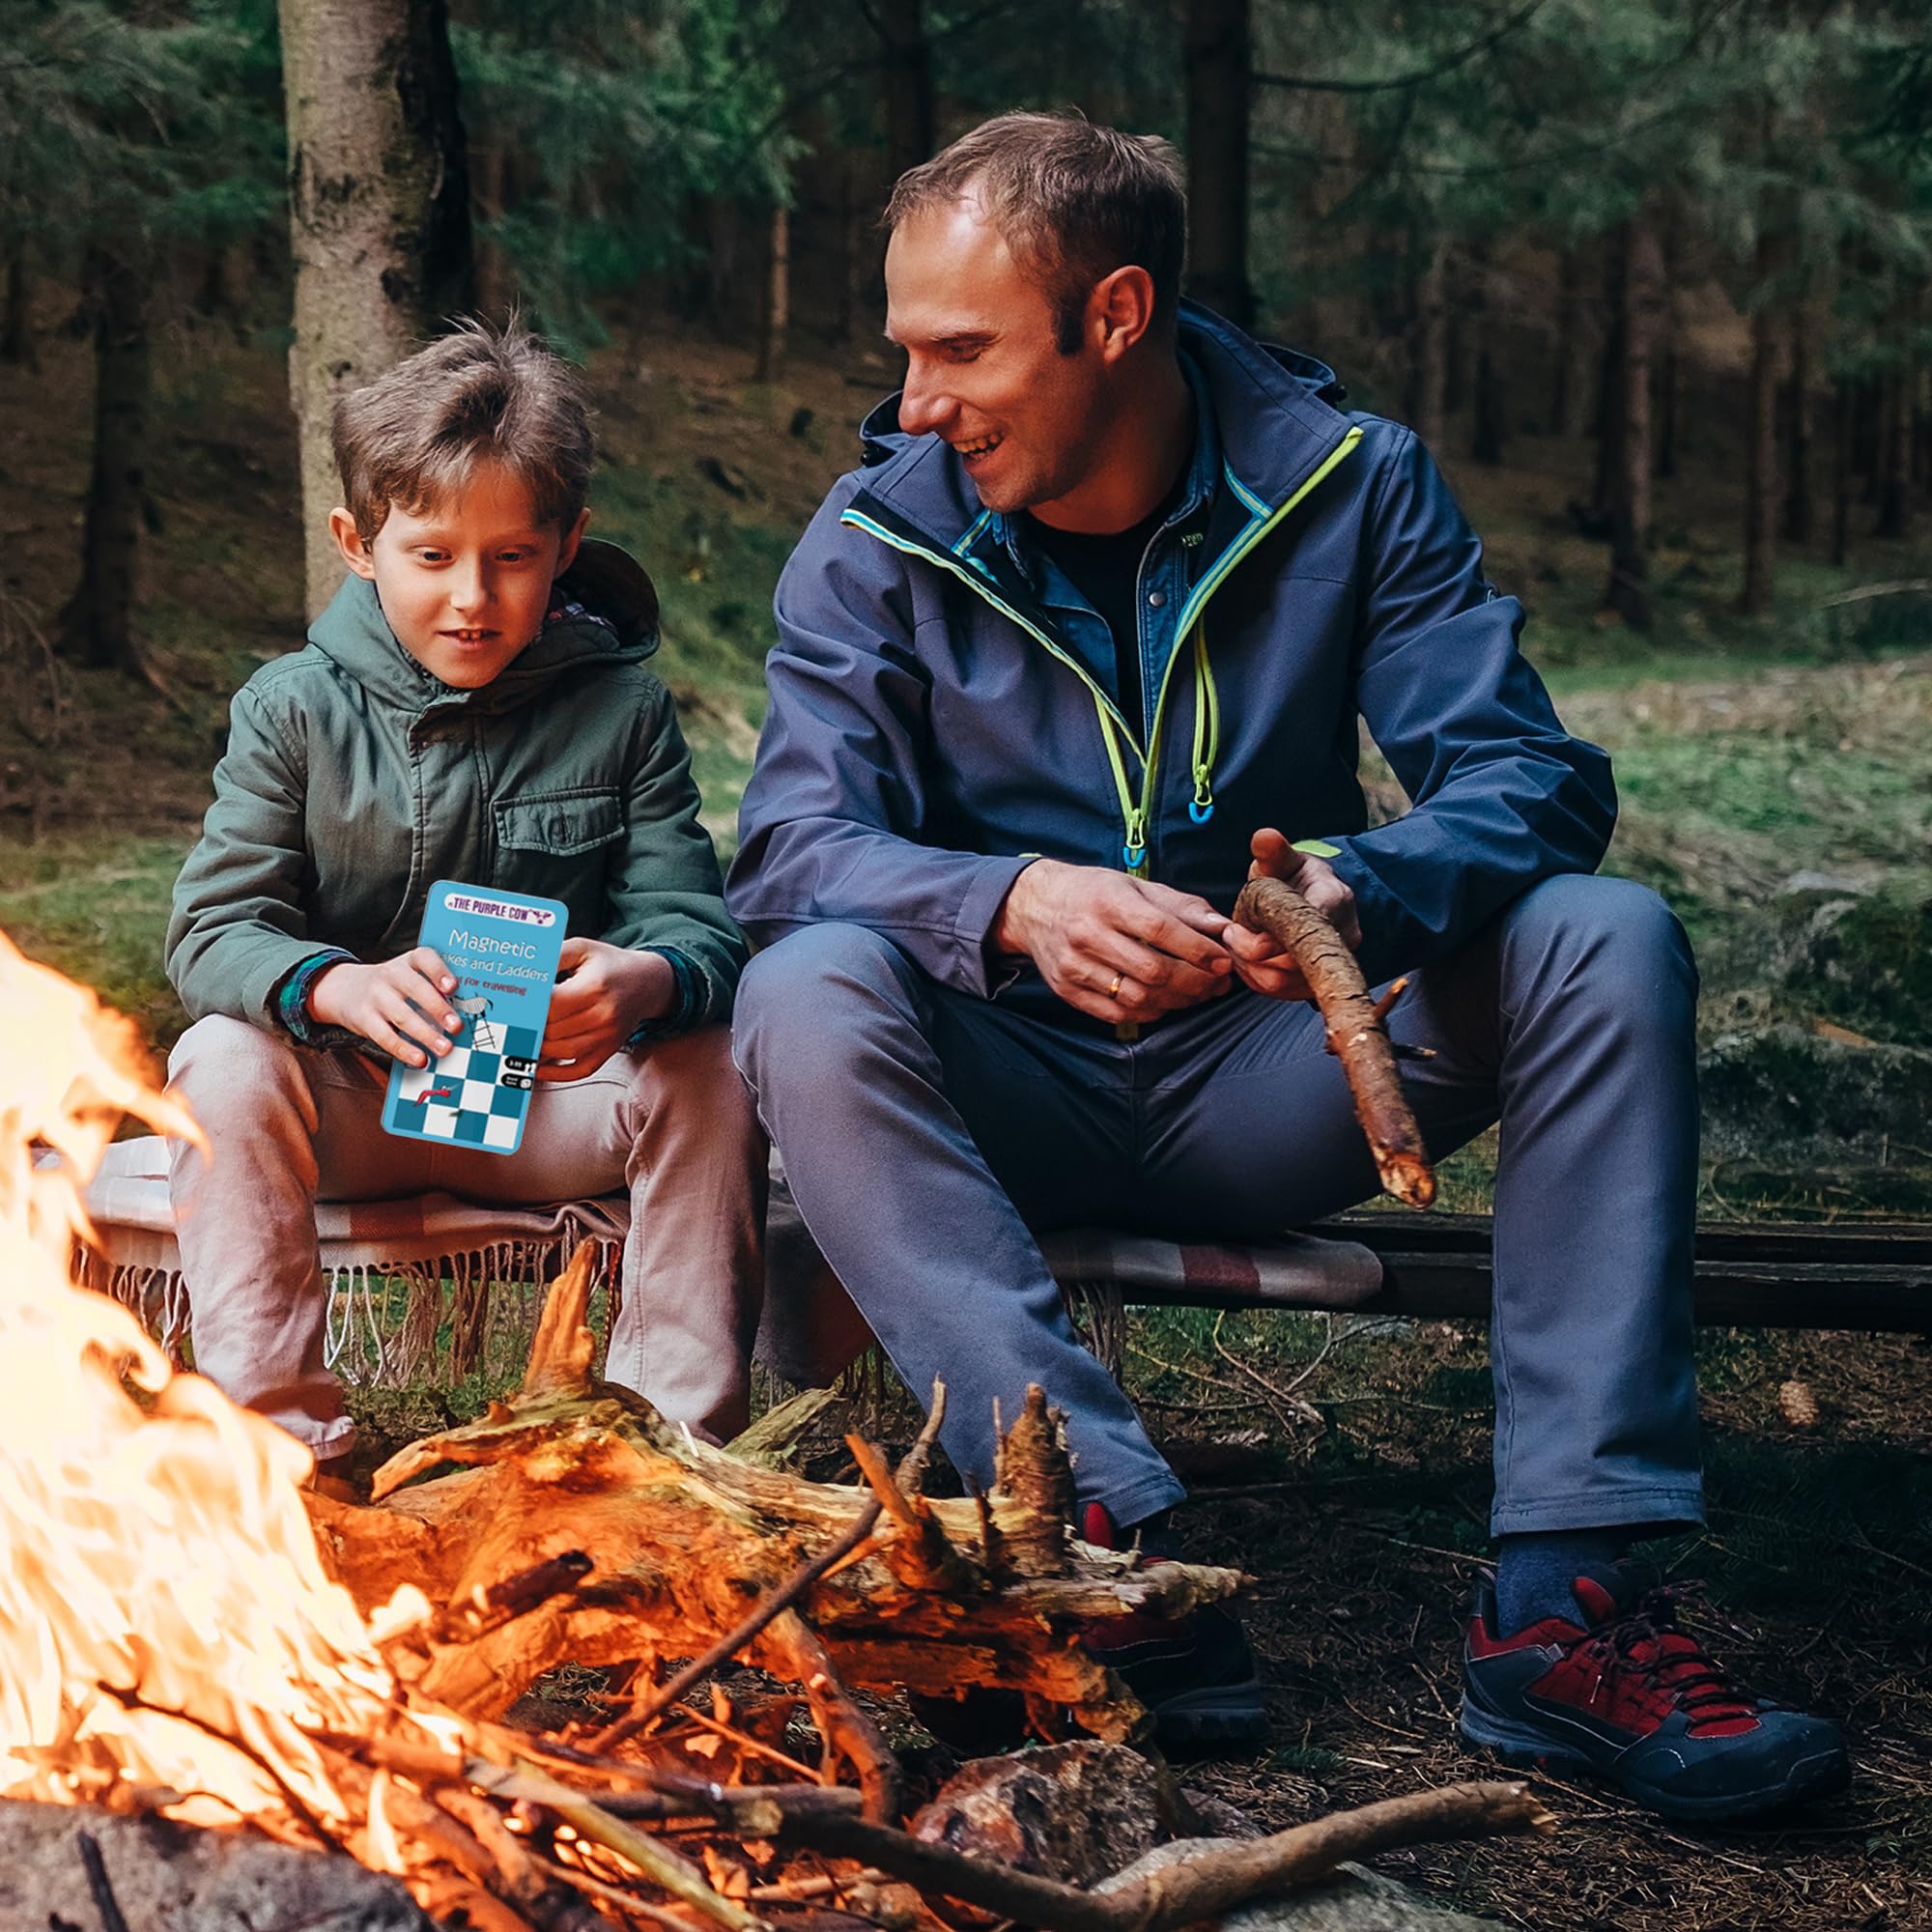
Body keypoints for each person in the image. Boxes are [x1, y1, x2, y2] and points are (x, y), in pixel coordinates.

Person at [725, 113, 1849, 1813]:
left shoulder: (1350, 481)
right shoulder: (878, 536)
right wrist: (1014, 900)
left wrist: (1357, 889)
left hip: (1281, 1079)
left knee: (1603, 940)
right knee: (802, 986)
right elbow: (788, 854)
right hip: (995, 1086)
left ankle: (1572, 1607)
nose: (920, 401)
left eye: (962, 351)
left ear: (1115, 317)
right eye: (906, 350)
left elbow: (1535, 780)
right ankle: (1099, 1534)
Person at [165, 322, 767, 1492]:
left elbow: (695, 923)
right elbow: (210, 930)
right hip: (353, 1107)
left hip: (550, 1107)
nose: (473, 598)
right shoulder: (290, 711)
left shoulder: (622, 710)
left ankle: (670, 1460)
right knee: (218, 1057)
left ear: (568, 546)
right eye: (432, 555)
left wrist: (647, 980)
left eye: (513, 557)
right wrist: (332, 982)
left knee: (716, 1059)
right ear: (357, 542)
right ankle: (283, 1461)